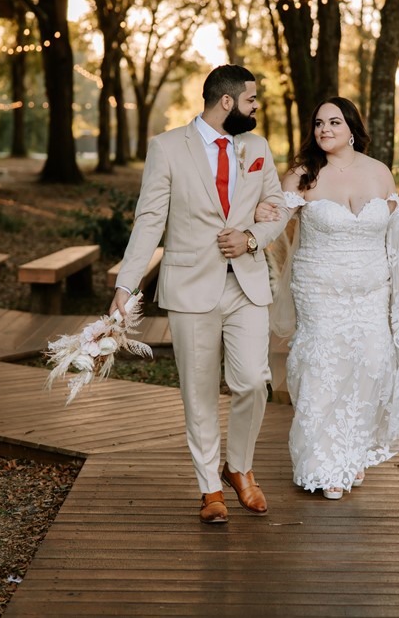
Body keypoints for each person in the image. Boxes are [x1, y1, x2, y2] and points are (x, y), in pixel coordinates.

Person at [110, 65, 289, 524]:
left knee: (253, 380)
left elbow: (277, 211)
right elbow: (149, 220)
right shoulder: (167, 148)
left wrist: (251, 237)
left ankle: (240, 468)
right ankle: (209, 486)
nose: (255, 108)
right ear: (226, 102)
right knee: (199, 391)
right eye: (251, 101)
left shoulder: (257, 147)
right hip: (191, 288)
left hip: (247, 284)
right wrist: (126, 286)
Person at [262, 97, 399, 499]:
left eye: (334, 122)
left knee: (369, 364)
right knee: (324, 367)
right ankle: (323, 465)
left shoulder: (378, 172)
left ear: (352, 128)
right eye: (319, 122)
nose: (324, 129)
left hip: (372, 290)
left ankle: (351, 452)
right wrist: (261, 210)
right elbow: (273, 220)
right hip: (320, 288)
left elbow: (394, 224)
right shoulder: (302, 175)